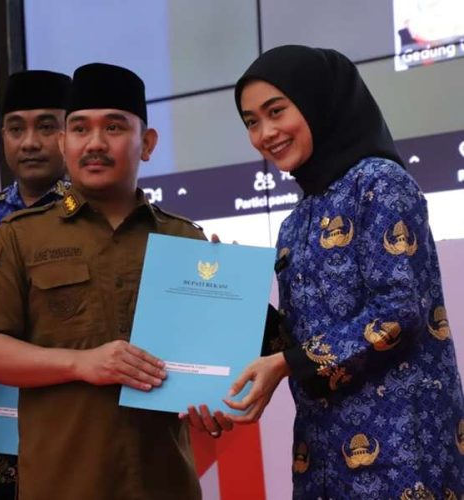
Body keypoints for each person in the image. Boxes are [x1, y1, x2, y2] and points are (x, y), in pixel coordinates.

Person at [192, 44, 464, 498]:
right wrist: (232, 292)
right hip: (320, 457)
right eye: (251, 122)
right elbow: (299, 342)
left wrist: (286, 363)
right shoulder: (293, 222)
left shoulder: (380, 183)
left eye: (276, 111)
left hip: (402, 454)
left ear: (319, 102)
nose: (265, 133)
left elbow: (398, 314)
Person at [0, 63, 205, 500]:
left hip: (163, 483)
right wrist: (81, 363)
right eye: (80, 129)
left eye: (114, 127)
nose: (95, 144)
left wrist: (214, 400)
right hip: (61, 483)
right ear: (63, 142)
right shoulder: (19, 236)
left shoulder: (184, 239)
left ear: (147, 143)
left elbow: (205, 366)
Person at [0, 69, 71, 500]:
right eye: (15, 128)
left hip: (77, 415)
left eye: (46, 127)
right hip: (0, 429)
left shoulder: (98, 211)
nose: (29, 142)